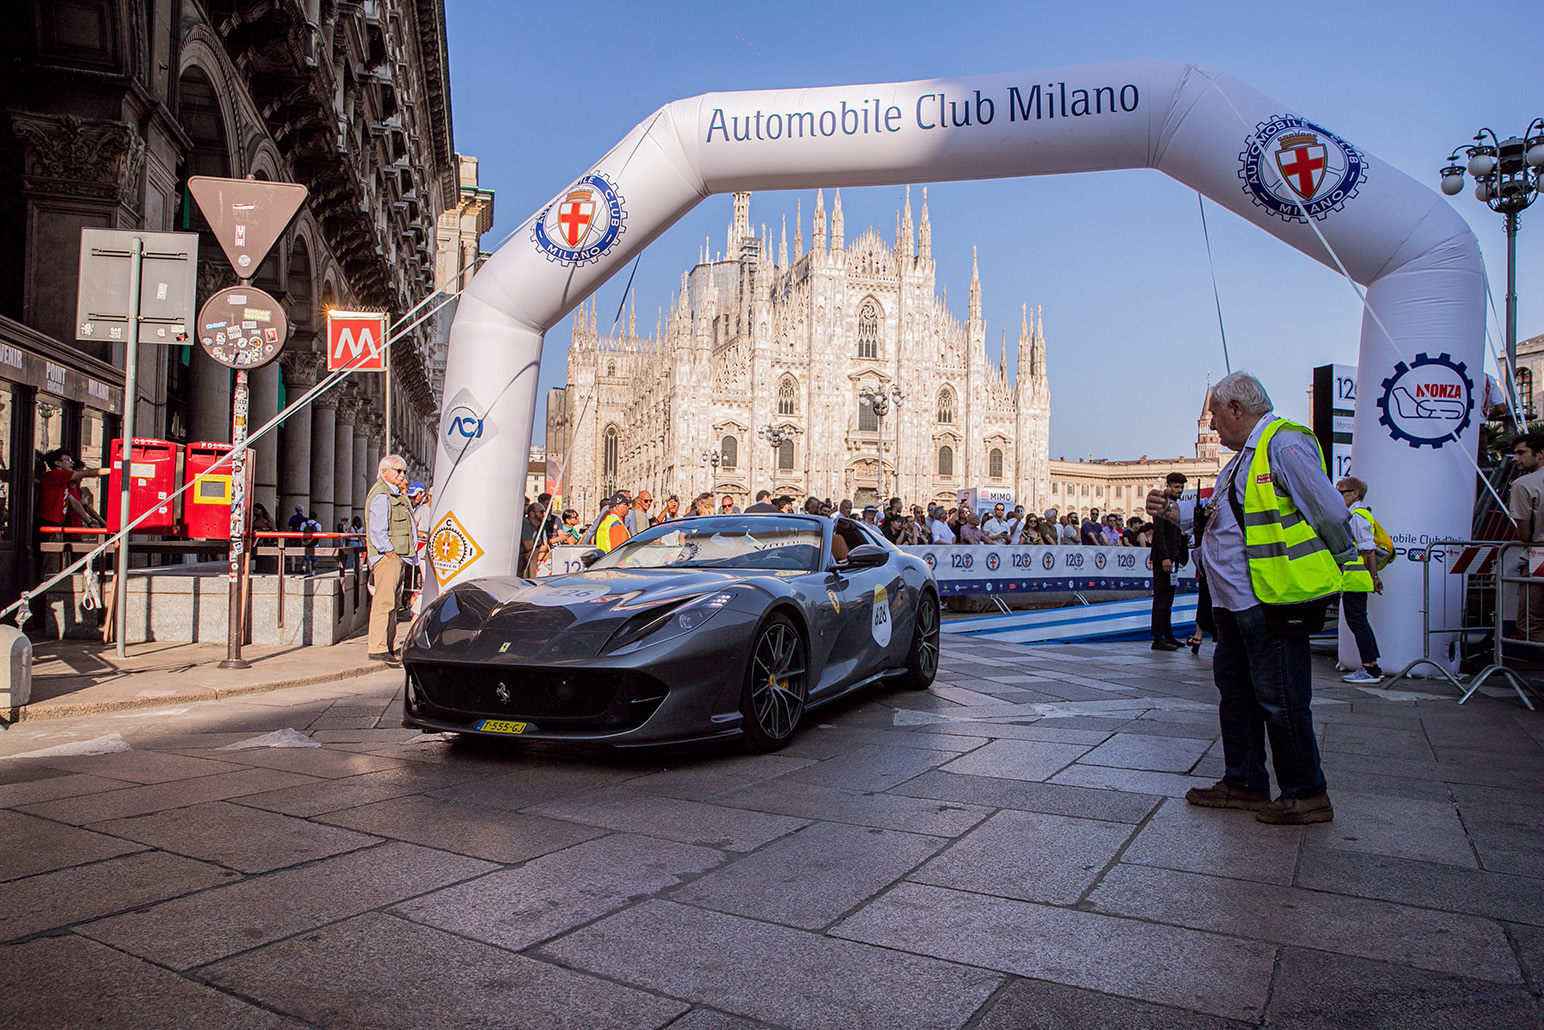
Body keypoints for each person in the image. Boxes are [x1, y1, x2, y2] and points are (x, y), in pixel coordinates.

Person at [1147, 371, 1355, 826]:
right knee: (1235, 694)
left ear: (1237, 410)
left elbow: (1331, 511)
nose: (1213, 428)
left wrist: (1347, 564)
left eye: (1216, 417)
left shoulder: (1284, 444)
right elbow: (1219, 523)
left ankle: (1306, 792)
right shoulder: (1239, 461)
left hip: (1271, 598)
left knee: (1280, 698)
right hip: (1234, 603)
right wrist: (1173, 512)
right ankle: (1244, 782)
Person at [364, 454, 416, 664]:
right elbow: (377, 530)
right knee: (384, 602)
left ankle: (388, 644)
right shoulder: (381, 495)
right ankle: (377, 647)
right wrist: (388, 551)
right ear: (384, 472)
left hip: (397, 554)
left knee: (393, 603)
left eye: (403, 471)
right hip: (389, 556)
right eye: (398, 471)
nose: (402, 475)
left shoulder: (395, 495)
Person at [1336, 476, 1384, 682]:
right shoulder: (1357, 514)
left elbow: (1367, 549)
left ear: (1355, 493)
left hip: (1356, 579)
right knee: (1359, 621)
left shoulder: (1357, 516)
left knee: (1357, 622)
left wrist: (1374, 577)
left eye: (1342, 492)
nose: (1338, 496)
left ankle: (1370, 667)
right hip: (1357, 578)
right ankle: (1372, 665)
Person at [1507, 434, 1544, 641]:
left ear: (1540, 454)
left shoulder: (1524, 485)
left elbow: (1525, 534)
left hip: (1540, 555)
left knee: (1530, 625)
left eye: (1521, 452)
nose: (1514, 458)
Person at [1150, 472, 1188, 651]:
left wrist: (1180, 555)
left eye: (1181, 487)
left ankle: (1168, 634)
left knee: (1169, 599)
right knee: (1161, 599)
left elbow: (1178, 533)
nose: (1179, 490)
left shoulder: (1175, 504)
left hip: (1172, 559)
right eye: (1176, 487)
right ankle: (1158, 638)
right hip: (1163, 559)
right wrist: (1165, 557)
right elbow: (1158, 534)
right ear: (1168, 485)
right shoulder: (1161, 503)